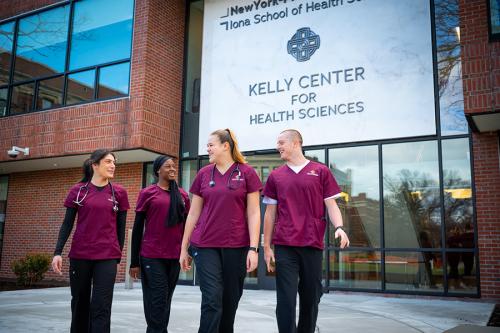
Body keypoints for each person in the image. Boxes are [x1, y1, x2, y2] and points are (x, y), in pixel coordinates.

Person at [262, 129, 350, 333]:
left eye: (282, 142)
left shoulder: (320, 171)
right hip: (285, 245)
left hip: (312, 244)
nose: (278, 147)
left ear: (296, 143)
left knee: (311, 297)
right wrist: (266, 247)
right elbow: (269, 214)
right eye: (278, 143)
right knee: (285, 298)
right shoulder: (276, 176)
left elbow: (331, 205)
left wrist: (339, 228)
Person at [179, 128, 262, 333]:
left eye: (211, 145)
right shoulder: (204, 174)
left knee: (230, 301)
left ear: (226, 146)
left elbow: (253, 213)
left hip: (237, 245)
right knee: (212, 298)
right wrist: (183, 248)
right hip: (205, 245)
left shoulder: (247, 173)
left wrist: (253, 248)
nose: (207, 149)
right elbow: (192, 214)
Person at [52, 149, 130, 333]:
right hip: (80, 255)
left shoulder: (119, 193)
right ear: (95, 165)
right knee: (80, 303)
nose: (113, 166)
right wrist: (57, 252)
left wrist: (117, 257)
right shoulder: (78, 191)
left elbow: (120, 228)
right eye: (108, 162)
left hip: (107, 257)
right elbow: (67, 224)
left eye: (114, 162)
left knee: (102, 306)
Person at [129, 155, 191, 333]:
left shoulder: (183, 195)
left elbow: (188, 226)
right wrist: (134, 261)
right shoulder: (147, 193)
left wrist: (187, 251)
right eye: (168, 166)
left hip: (174, 256)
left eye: (174, 166)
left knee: (165, 300)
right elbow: (138, 227)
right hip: (151, 255)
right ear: (158, 170)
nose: (172, 169)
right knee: (157, 300)